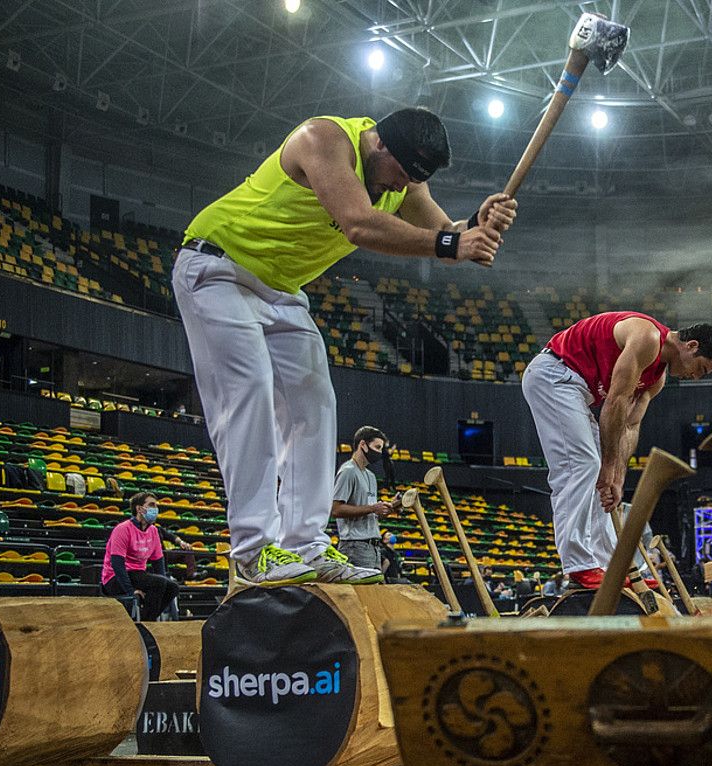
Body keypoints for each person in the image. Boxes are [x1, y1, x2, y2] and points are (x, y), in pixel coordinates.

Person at [172, 107, 514, 587]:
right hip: (218, 268)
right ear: (379, 145)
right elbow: (359, 223)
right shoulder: (325, 139)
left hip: (281, 288)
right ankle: (251, 551)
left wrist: (479, 223)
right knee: (248, 390)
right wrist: (452, 244)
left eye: (413, 181)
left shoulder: (405, 182)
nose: (399, 187)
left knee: (315, 402)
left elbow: (449, 236)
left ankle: (305, 545)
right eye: (399, 173)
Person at [522, 311, 712, 588]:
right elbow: (615, 402)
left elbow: (629, 426)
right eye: (700, 369)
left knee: (600, 479)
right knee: (582, 465)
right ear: (691, 346)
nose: (695, 377)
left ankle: (610, 566)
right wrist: (607, 465)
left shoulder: (657, 379)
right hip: (553, 375)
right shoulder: (647, 338)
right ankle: (578, 563)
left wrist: (617, 476)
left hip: (575, 389)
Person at [101, 492, 181, 621]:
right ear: (139, 508)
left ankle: (146, 619)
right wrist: (130, 591)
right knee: (158, 583)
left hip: (138, 575)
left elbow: (158, 563)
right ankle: (147, 623)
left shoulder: (153, 531)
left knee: (172, 587)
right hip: (115, 578)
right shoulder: (123, 529)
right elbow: (117, 565)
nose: (155, 509)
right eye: (151, 505)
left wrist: (166, 584)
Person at [331, 426, 394, 581]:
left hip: (373, 546)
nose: (379, 452)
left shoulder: (371, 476)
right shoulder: (348, 471)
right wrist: (373, 508)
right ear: (363, 445)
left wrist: (382, 510)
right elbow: (336, 509)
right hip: (355, 545)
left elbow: (368, 510)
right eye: (377, 447)